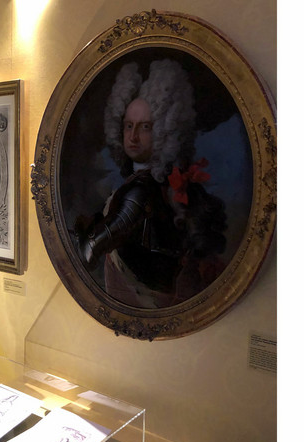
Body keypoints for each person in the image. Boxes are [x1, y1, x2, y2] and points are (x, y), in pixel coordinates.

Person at [75, 59, 228, 307]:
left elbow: (89, 252)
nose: (133, 136)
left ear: (165, 129)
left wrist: (82, 231)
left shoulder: (140, 191)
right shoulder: (162, 184)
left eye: (145, 127)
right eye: (128, 126)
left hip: (145, 302)